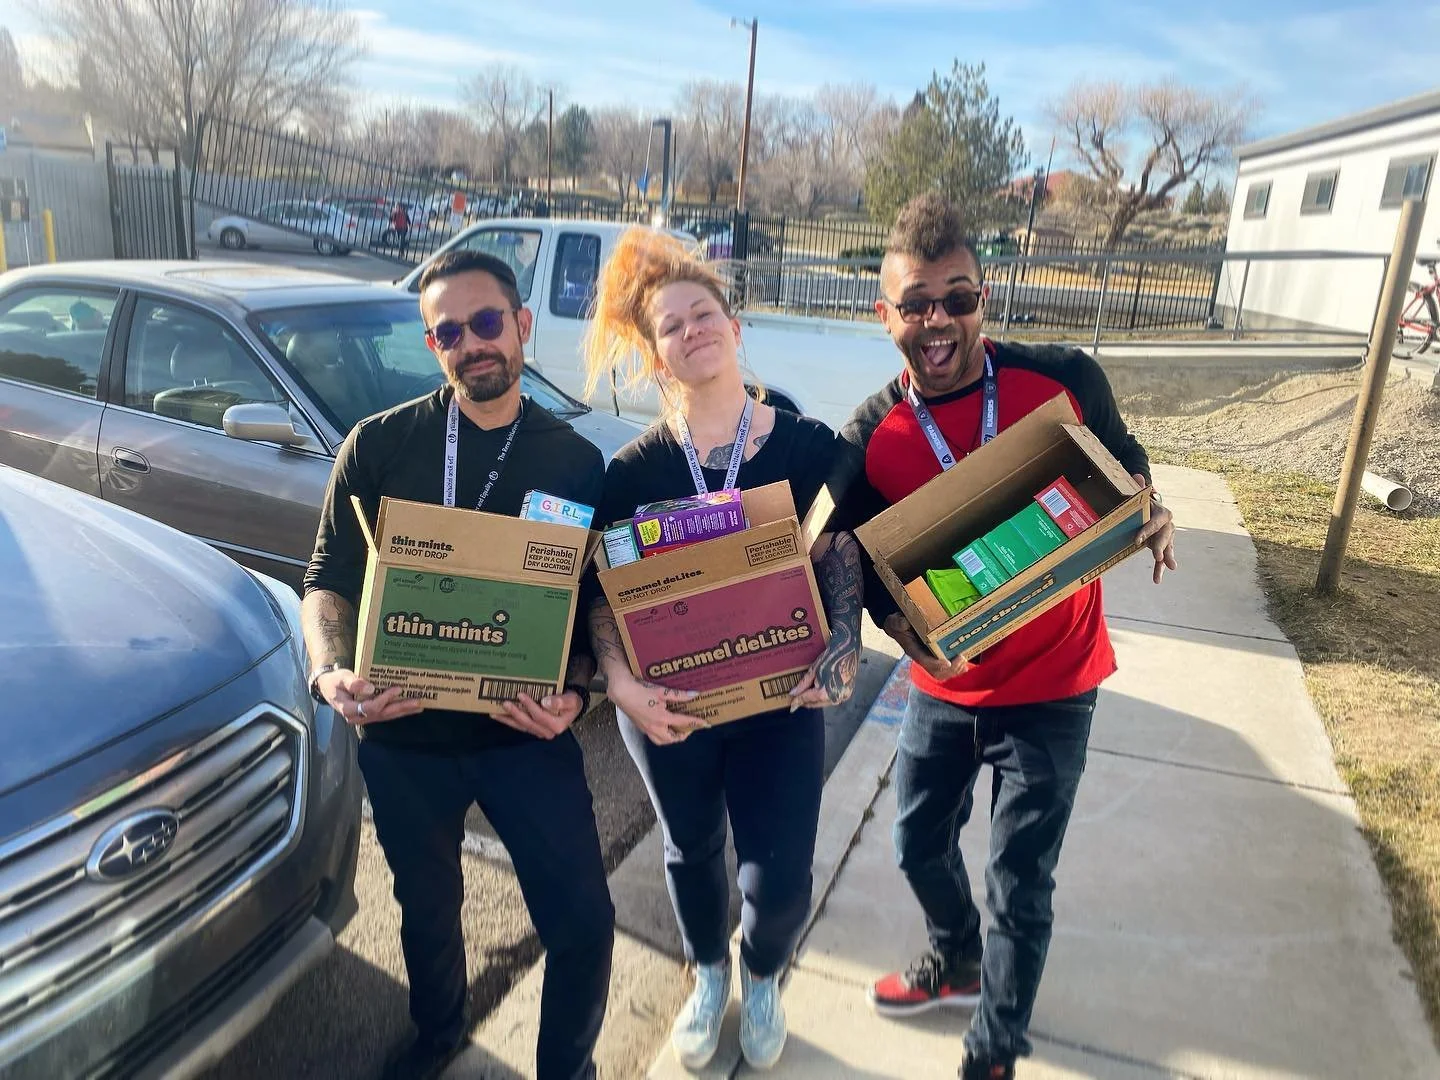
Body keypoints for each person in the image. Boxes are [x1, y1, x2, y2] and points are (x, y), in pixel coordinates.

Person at [830, 193, 1177, 1080]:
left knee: (1021, 882)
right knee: (915, 844)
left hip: (1057, 687)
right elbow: (867, 574)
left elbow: (1124, 464)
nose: (938, 321)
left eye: (959, 298)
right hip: (945, 693)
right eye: (916, 304)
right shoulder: (870, 440)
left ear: (985, 297)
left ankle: (993, 1051)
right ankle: (956, 951)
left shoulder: (1061, 382)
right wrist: (912, 642)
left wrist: (1151, 507)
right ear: (886, 315)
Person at [301, 249, 614, 1080]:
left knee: (583, 923)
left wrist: (577, 694)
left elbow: (594, 607)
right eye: (448, 331)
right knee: (428, 911)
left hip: (526, 737)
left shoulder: (576, 463)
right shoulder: (378, 446)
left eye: (485, 323)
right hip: (405, 737)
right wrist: (331, 673)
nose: (471, 343)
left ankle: (566, 1069)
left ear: (521, 326)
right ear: (432, 343)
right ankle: (439, 1035)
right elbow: (327, 579)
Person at [581, 228, 864, 1072]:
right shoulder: (631, 473)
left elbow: (840, 556)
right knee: (691, 849)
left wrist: (843, 646)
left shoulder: (809, 447)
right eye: (672, 326)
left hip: (781, 702)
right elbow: (603, 595)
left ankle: (763, 971)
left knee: (778, 879)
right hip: (671, 709)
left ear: (736, 328)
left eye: (704, 313)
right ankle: (709, 973)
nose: (692, 330)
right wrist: (623, 687)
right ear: (657, 356)